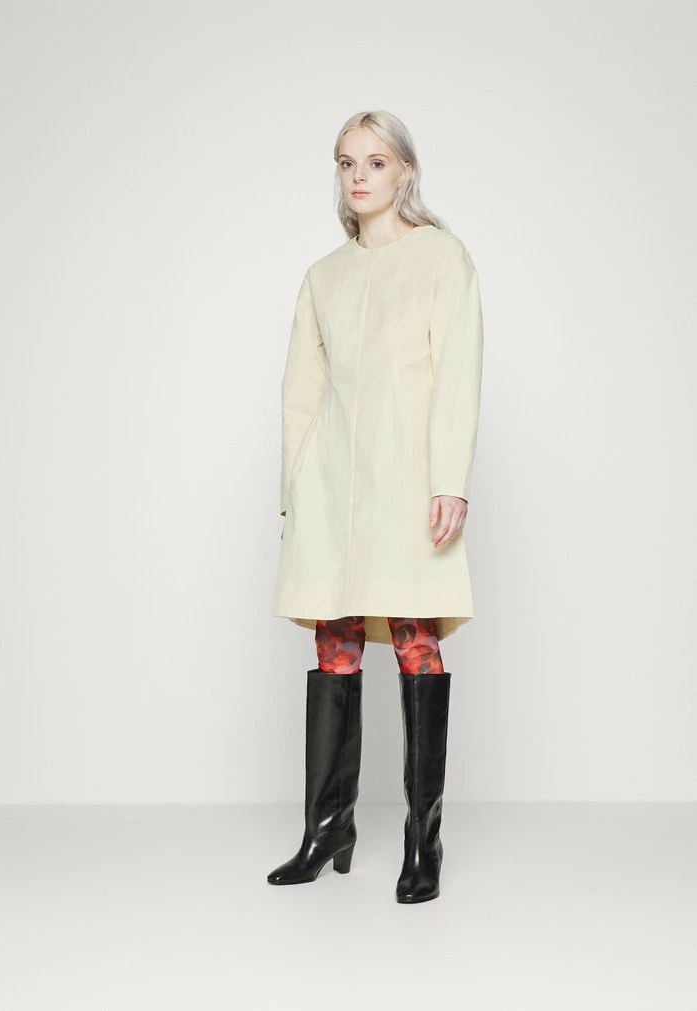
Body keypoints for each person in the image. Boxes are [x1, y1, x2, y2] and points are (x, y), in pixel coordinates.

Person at [267, 110, 484, 903]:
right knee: (335, 640)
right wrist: (295, 489)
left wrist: (450, 479)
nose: (359, 176)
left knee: (416, 637)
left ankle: (423, 840)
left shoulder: (441, 258)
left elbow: (457, 370)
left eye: (376, 161)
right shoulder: (322, 276)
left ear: (406, 172)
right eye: (346, 162)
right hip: (331, 484)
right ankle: (327, 827)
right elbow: (301, 394)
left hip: (408, 481)